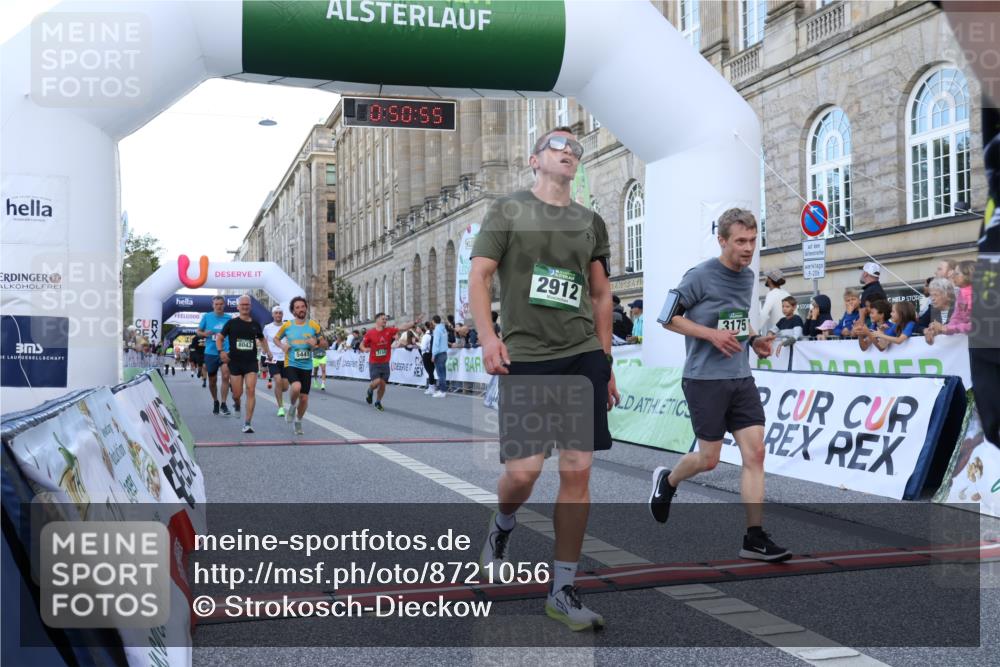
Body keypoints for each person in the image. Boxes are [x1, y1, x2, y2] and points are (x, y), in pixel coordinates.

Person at [471, 126, 619, 631]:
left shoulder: (590, 221)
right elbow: (480, 275)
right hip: (528, 355)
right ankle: (503, 520)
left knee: (577, 472)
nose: (570, 152)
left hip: (580, 355)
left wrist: (605, 359)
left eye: (576, 149)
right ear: (534, 160)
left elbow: (601, 294)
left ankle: (563, 589)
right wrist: (489, 338)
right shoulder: (509, 210)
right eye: (558, 145)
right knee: (524, 474)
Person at [650, 207, 790, 562]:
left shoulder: (748, 277)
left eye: (753, 241)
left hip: (740, 377)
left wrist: (755, 340)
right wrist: (710, 334)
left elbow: (740, 318)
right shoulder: (699, 276)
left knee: (755, 454)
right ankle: (668, 481)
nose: (748, 248)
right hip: (704, 379)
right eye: (740, 241)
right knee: (709, 459)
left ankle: (754, 537)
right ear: (722, 240)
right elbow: (667, 317)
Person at [274, 296, 327, 436]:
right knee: (296, 387)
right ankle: (291, 406)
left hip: (306, 366)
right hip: (290, 363)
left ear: (306, 308)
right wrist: (282, 346)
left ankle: (298, 421)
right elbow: (276, 338)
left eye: (302, 306)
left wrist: (315, 344)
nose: (301, 309)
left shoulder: (314, 325)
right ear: (293, 311)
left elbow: (324, 344)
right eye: (297, 307)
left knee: (304, 398)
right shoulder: (287, 325)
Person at [218, 295, 270, 434]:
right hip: (235, 362)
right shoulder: (231, 323)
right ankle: (237, 403)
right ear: (238, 307)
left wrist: (268, 352)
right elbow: (220, 337)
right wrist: (221, 351)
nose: (245, 307)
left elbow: (262, 339)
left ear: (250, 307)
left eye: (247, 304)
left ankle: (247, 423)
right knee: (237, 393)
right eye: (243, 305)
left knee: (251, 390)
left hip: (251, 362)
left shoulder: (255, 324)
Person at [361, 312, 421, 412]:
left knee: (383, 384)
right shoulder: (370, 333)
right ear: (377, 320)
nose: (385, 320)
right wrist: (364, 349)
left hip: (385, 363)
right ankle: (370, 390)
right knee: (376, 382)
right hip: (374, 362)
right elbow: (362, 345)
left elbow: (403, 327)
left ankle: (378, 402)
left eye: (386, 319)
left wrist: (414, 322)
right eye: (383, 319)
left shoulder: (389, 330)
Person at [197, 295, 233, 416]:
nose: (219, 306)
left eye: (221, 304)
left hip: (225, 351)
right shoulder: (207, 317)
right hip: (211, 352)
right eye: (216, 304)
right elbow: (198, 332)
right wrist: (204, 334)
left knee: (226, 375)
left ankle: (223, 403)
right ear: (213, 305)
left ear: (224, 305)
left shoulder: (229, 318)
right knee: (212, 380)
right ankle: (216, 401)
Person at [263, 306, 290, 417]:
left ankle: (279, 391)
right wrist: (264, 357)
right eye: (276, 313)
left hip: (285, 358)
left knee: (285, 387)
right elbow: (263, 342)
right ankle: (281, 407)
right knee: (278, 381)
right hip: (272, 358)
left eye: (280, 313)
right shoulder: (267, 328)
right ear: (273, 315)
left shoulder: (287, 326)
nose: (278, 315)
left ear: (282, 315)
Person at [920, 277, 956, 342]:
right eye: (931, 295)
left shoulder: (958, 309)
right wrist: (925, 330)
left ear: (947, 295)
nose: (932, 299)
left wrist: (940, 327)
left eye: (935, 295)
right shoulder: (932, 309)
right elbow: (917, 325)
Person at [759, 269, 790, 334]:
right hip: (789, 334)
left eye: (767, 277)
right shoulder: (786, 294)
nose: (766, 279)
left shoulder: (772, 294)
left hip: (777, 336)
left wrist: (755, 330)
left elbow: (764, 314)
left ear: (770, 280)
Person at [431, 315, 449, 398]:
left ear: (433, 321)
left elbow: (436, 343)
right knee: (443, 373)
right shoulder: (444, 329)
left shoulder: (437, 330)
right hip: (444, 352)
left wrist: (433, 354)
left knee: (440, 373)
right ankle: (443, 390)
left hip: (439, 353)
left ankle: (442, 391)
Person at [420, 320, 436, 395]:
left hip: (427, 354)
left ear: (426, 327)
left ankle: (432, 387)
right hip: (433, 354)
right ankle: (431, 386)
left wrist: (419, 345)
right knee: (431, 371)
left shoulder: (426, 336)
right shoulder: (434, 334)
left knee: (429, 372)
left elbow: (423, 347)